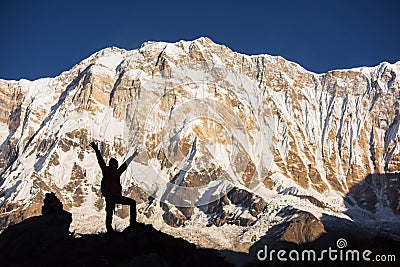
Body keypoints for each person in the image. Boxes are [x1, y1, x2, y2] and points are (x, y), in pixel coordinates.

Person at [89, 142, 138, 233]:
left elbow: (101, 161)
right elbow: (125, 165)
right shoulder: (115, 172)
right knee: (132, 203)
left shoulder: (107, 170)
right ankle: (132, 223)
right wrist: (133, 156)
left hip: (110, 197)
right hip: (114, 197)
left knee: (109, 213)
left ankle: (110, 230)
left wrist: (96, 150)